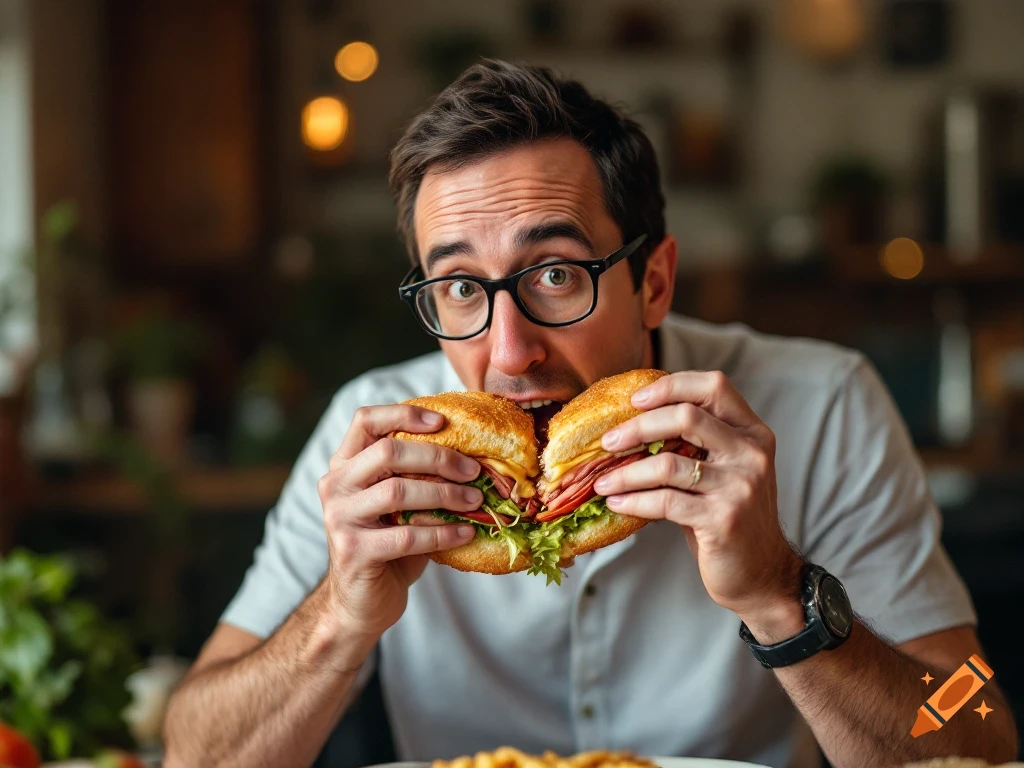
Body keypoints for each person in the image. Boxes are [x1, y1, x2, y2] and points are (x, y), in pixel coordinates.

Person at [163, 60, 1018, 768]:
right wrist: (337, 621)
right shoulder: (374, 441)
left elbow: (977, 723)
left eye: (556, 275)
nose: (509, 353)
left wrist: (779, 595)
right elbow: (191, 752)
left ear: (654, 281)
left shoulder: (824, 405)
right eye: (459, 287)